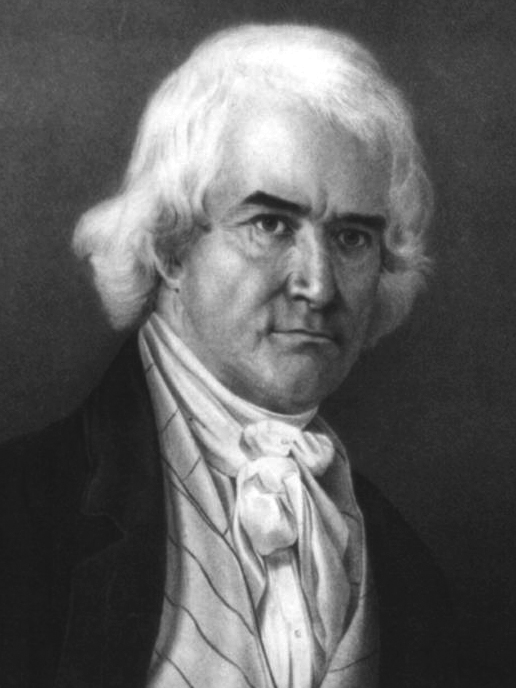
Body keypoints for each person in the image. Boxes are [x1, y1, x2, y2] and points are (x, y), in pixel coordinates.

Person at [0, 23, 459, 688]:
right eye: (270, 225)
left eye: (352, 238)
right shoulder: (23, 516)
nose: (318, 285)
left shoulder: (406, 571)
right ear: (170, 245)